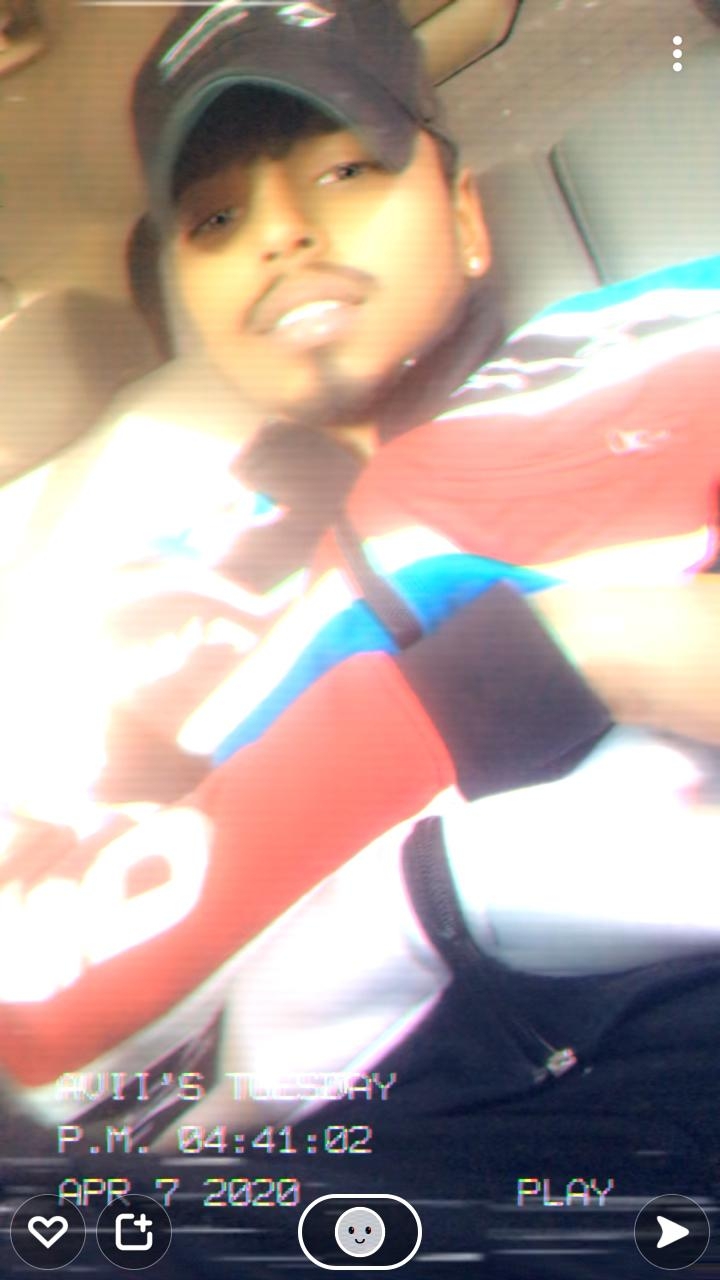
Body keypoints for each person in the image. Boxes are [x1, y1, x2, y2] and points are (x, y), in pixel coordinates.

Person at [0, 5, 719, 1269]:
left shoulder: (663, 355)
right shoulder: (158, 590)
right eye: (215, 217)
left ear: (467, 216)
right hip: (187, 1183)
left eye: (343, 169)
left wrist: (577, 649)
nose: (278, 232)